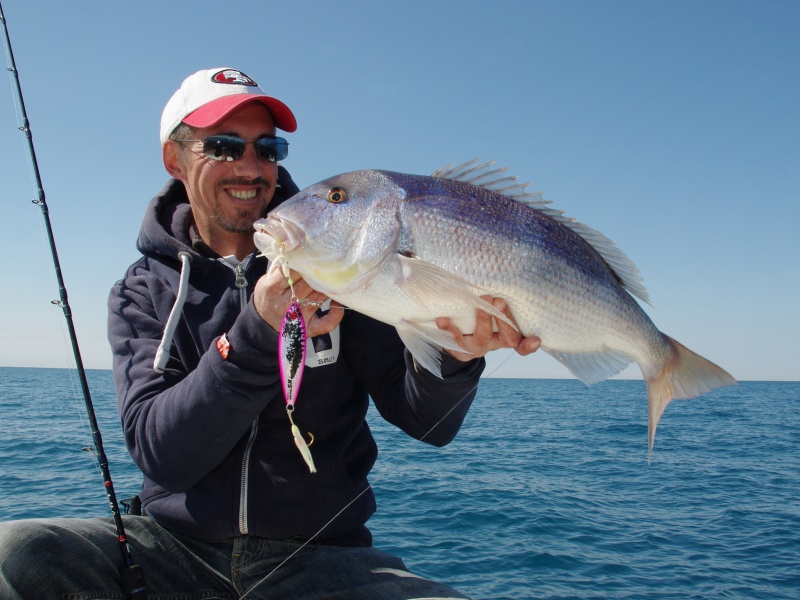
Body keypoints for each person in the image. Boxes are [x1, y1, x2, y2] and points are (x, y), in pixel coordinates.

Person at [0, 67, 540, 599]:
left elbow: (427, 421)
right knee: (16, 550)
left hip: (324, 560)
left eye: (268, 149)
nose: (251, 167)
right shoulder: (142, 291)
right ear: (175, 159)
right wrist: (257, 332)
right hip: (171, 550)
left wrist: (454, 356)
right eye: (225, 147)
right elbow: (162, 454)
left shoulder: (345, 263)